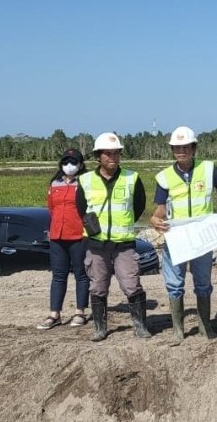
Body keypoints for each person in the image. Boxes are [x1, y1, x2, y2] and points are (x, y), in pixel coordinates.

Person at [151, 126, 217, 344]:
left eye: (185, 147)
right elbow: (160, 209)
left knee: (203, 283)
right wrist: (155, 219)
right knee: (175, 284)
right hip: (177, 238)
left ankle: (205, 326)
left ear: (194, 148)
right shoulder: (164, 177)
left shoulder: (208, 169)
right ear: (172, 150)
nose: (181, 151)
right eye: (177, 147)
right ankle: (178, 330)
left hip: (202, 238)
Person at [76, 133, 150, 341]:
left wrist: (121, 225)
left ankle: (140, 326)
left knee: (131, 284)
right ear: (98, 156)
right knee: (98, 285)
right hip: (96, 243)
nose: (113, 158)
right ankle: (100, 328)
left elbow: (138, 206)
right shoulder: (86, 180)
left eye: (116, 153)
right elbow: (81, 208)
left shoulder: (132, 178)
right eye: (108, 154)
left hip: (123, 244)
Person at [37, 148, 90, 330]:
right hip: (57, 236)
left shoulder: (86, 183)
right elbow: (51, 208)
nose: (69, 166)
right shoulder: (55, 184)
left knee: (81, 274)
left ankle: (80, 312)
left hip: (78, 236)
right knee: (58, 276)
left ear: (81, 165)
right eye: (66, 162)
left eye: (74, 162)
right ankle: (54, 314)